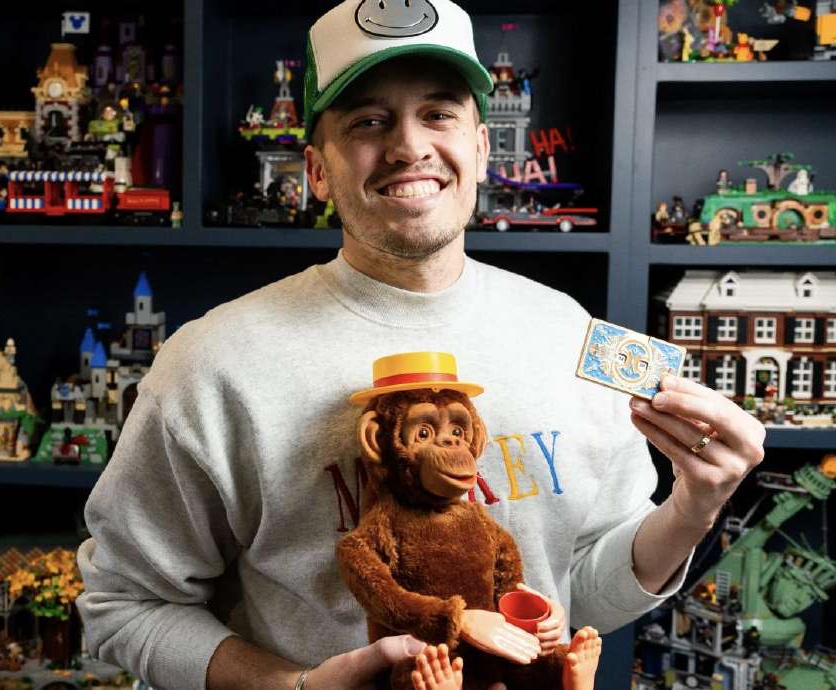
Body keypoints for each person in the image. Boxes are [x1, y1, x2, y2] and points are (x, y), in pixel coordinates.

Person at [76, 1, 766, 689]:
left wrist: (694, 507)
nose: (410, 146)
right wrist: (293, 688)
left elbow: (577, 588)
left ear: (482, 147)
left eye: (439, 114)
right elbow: (126, 606)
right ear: (316, 169)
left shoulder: (569, 333)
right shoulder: (212, 363)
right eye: (369, 121)